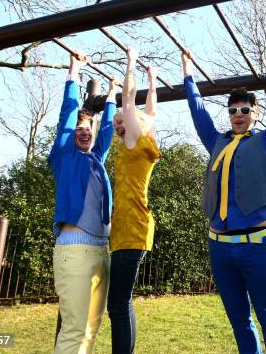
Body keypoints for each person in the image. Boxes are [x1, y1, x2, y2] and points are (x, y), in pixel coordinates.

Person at [182, 29, 266, 354]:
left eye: (245, 110)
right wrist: (188, 74)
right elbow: (198, 112)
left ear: (255, 113)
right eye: (233, 110)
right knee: (239, 320)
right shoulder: (216, 141)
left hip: (257, 245)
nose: (238, 115)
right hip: (219, 246)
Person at [48, 52, 117, 354]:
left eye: (88, 128)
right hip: (74, 249)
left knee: (91, 329)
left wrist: (113, 93)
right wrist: (74, 70)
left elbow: (108, 129)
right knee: (74, 329)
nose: (84, 131)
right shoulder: (64, 157)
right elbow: (67, 115)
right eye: (79, 129)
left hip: (102, 250)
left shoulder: (96, 161)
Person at [108, 46, 161, 354]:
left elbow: (130, 100)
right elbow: (150, 111)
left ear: (134, 122)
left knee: (117, 304)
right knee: (121, 301)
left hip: (131, 229)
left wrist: (130, 61)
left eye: (121, 121)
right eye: (115, 124)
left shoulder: (134, 141)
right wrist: (153, 82)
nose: (118, 126)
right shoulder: (144, 141)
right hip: (133, 228)